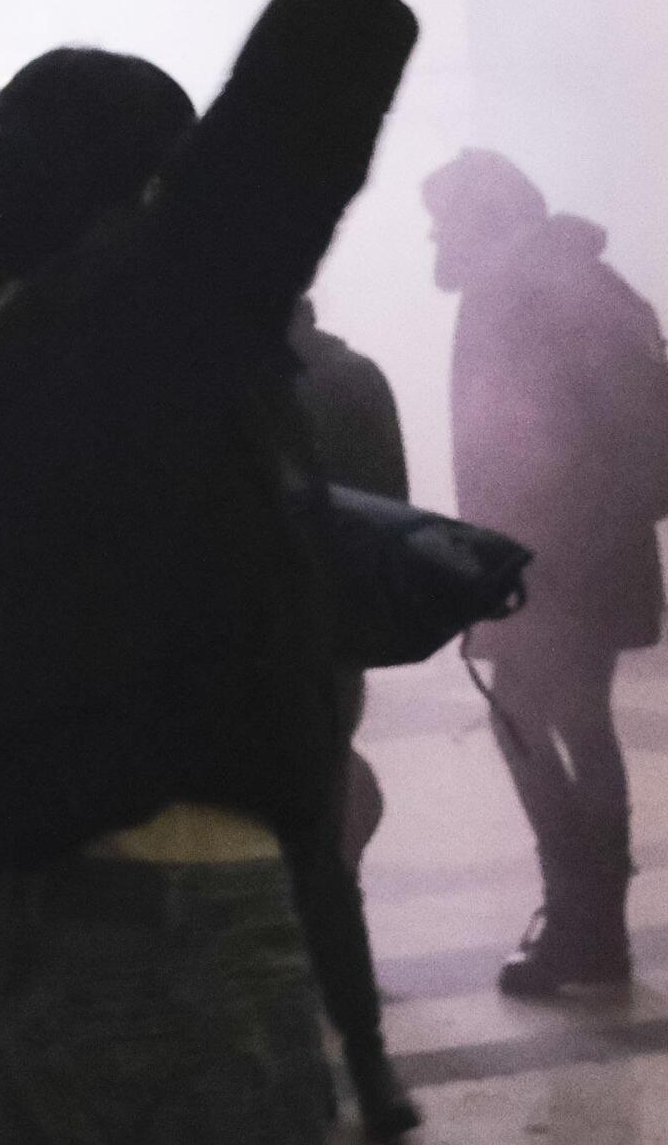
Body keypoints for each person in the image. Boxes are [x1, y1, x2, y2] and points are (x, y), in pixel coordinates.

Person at [0, 0, 430, 1143]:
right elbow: (278, 151)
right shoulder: (89, 352)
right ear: (128, 207)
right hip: (177, 940)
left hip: (40, 928)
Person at [422, 150, 668, 997]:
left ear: (483, 215)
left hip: (541, 554)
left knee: (523, 720)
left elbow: (503, 443)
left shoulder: (508, 291)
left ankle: (576, 913)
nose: (435, 236)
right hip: (602, 550)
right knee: (580, 723)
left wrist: (495, 557)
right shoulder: (590, 279)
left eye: (443, 217)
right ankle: (596, 923)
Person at [282, 300, 419, 1139]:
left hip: (254, 640)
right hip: (332, 639)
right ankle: (366, 1059)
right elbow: (389, 510)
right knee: (323, 821)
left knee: (293, 821)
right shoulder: (355, 376)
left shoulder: (235, 380)